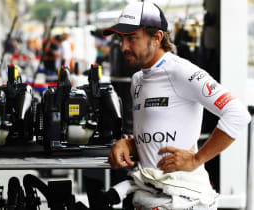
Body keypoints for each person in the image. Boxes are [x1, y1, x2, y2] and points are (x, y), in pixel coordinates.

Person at [95, 1, 251, 209]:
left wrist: (197, 158)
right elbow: (157, 132)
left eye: (132, 38)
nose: (123, 47)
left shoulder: (182, 72)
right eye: (121, 39)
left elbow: (238, 114)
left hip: (185, 199)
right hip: (149, 196)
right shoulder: (137, 80)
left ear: (157, 37)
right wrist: (130, 144)